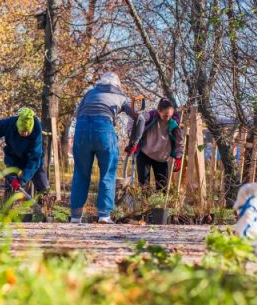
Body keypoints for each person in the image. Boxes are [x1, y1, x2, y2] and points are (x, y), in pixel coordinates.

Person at [70, 72, 144, 224]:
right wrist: (134, 143)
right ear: (117, 85)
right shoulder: (121, 97)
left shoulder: (89, 93)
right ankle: (104, 215)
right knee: (107, 172)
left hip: (81, 130)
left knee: (80, 172)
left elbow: (79, 114)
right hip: (104, 129)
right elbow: (140, 118)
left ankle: (75, 217)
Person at [0, 107, 49, 198]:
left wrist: (21, 180)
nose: (25, 134)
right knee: (10, 186)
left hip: (31, 159)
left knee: (43, 187)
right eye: (22, 131)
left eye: (27, 132)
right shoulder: (10, 124)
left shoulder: (36, 130)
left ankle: (44, 208)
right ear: (18, 125)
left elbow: (35, 158)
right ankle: (6, 210)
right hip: (13, 158)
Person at [128, 98, 184, 191]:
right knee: (144, 186)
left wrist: (178, 157)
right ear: (159, 111)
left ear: (172, 112)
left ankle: (159, 205)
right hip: (145, 154)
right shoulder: (150, 116)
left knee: (162, 188)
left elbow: (180, 142)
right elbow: (134, 120)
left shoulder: (174, 123)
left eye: (169, 115)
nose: (167, 118)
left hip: (162, 158)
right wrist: (133, 139)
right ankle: (144, 205)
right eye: (165, 116)